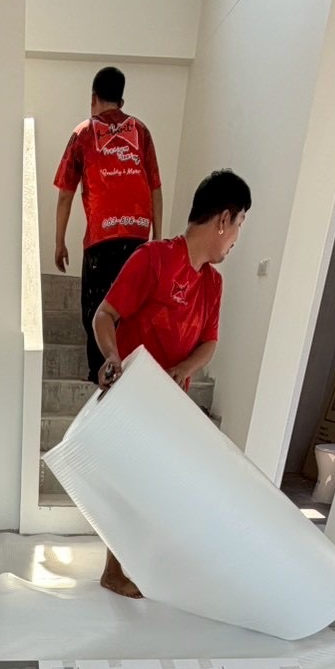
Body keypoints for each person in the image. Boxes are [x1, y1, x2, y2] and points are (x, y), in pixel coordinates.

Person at [91, 168, 252, 598]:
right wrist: (112, 357)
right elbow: (105, 314)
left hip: (170, 403)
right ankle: (112, 570)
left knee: (157, 487)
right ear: (224, 219)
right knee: (129, 486)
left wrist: (182, 368)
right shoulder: (154, 260)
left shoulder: (212, 283)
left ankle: (139, 563)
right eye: (239, 225)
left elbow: (209, 343)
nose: (237, 239)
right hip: (133, 398)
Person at [53, 65, 163, 384]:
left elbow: (65, 195)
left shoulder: (83, 134)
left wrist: (59, 242)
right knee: (129, 310)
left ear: (93, 98)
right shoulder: (141, 131)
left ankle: (98, 377)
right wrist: (157, 237)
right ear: (121, 101)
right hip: (138, 237)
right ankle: (128, 376)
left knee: (96, 310)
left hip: (101, 239)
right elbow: (155, 188)